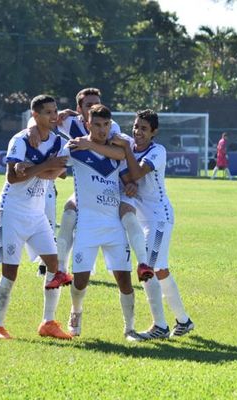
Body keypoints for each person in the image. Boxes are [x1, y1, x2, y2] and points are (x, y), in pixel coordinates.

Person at [29, 88, 153, 281]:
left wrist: (129, 182)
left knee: (128, 215)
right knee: (69, 213)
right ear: (79, 109)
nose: (93, 108)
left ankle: (143, 264)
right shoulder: (69, 122)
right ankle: (60, 269)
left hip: (115, 185)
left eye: (96, 103)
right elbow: (39, 117)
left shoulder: (110, 127)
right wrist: (32, 129)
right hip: (88, 185)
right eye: (88, 105)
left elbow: (119, 155)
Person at [0, 94, 73, 340]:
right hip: (12, 213)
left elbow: (61, 174)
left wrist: (38, 168)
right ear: (34, 115)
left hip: (37, 215)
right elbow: (13, 177)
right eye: (48, 112)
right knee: (10, 274)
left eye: (55, 111)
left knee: (55, 267)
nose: (54, 116)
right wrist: (46, 165)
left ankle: (48, 322)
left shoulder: (57, 141)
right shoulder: (20, 140)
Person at [57, 104, 140, 340]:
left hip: (113, 224)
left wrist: (130, 184)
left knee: (124, 279)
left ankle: (130, 328)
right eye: (97, 125)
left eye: (106, 125)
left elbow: (123, 164)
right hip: (87, 225)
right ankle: (75, 312)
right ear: (87, 124)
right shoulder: (74, 147)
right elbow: (58, 165)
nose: (102, 129)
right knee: (81, 280)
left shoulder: (114, 149)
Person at [112, 109, 195, 340]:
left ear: (154, 132)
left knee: (146, 268)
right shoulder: (129, 145)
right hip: (142, 217)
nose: (137, 132)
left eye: (144, 129)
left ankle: (159, 326)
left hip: (159, 218)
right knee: (160, 270)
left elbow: (137, 172)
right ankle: (184, 321)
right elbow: (126, 176)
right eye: (136, 127)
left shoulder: (157, 151)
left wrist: (127, 153)